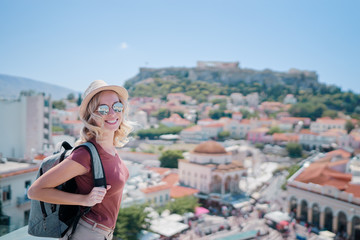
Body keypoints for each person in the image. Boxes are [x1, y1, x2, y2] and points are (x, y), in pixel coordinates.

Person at [28, 80, 134, 240]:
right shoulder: (85, 154)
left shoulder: (111, 148)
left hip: (103, 233)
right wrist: (84, 199)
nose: (112, 113)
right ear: (91, 116)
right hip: (89, 232)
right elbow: (35, 191)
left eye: (117, 106)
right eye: (103, 109)